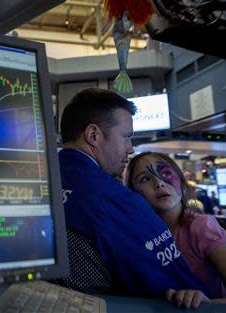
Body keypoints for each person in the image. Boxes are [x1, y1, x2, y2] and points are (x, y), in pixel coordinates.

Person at [58, 88, 208, 307]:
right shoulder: (119, 201)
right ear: (93, 135)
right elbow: (185, 291)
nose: (130, 149)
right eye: (127, 137)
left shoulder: (38, 183)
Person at [125, 151, 226, 305]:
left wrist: (207, 304)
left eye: (165, 172)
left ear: (182, 183)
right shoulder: (138, 238)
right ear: (133, 195)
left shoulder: (202, 227)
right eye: (145, 178)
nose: (158, 182)